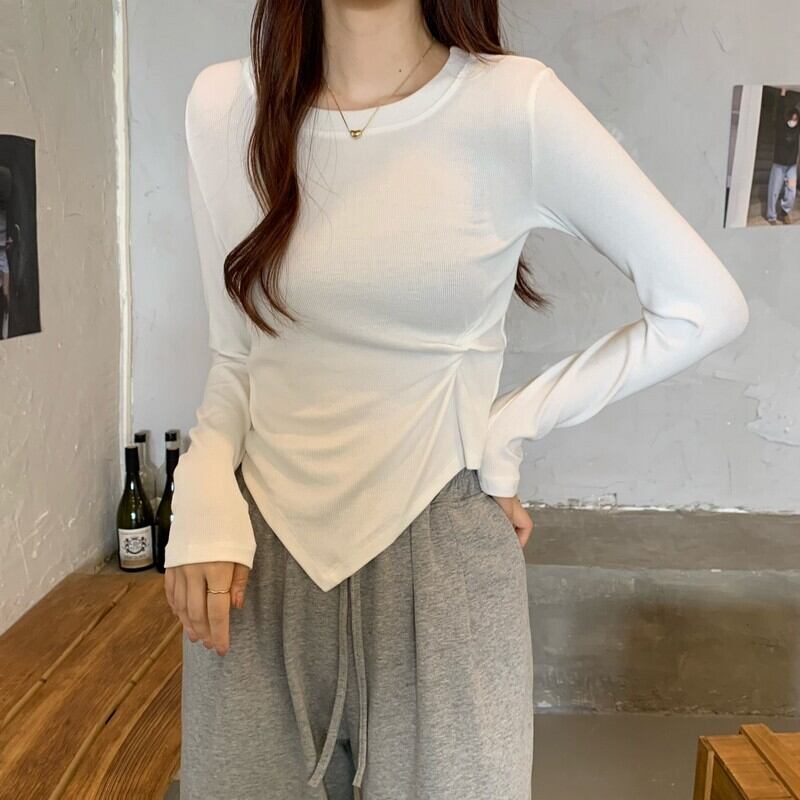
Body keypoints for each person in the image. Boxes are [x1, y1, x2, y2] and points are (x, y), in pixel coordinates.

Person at [162, 2, 750, 798]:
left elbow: (705, 306)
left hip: (442, 557)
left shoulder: (513, 104)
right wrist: (201, 481)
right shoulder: (222, 106)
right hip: (250, 562)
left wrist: (506, 429)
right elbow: (237, 352)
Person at [766, 87, 800, 225]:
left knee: (791, 191)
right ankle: (771, 216)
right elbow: (780, 109)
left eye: (796, 119)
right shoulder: (781, 126)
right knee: (774, 190)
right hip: (779, 165)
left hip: (791, 167)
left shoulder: (797, 129)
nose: (793, 121)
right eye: (792, 118)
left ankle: (784, 212)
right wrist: (783, 93)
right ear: (787, 118)